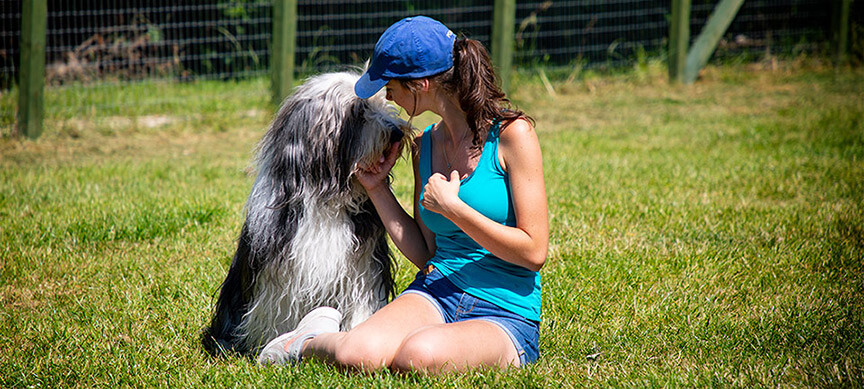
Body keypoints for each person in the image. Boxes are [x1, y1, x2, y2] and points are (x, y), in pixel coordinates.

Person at [258, 15, 549, 374]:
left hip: (503, 309)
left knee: (417, 356)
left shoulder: (512, 135)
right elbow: (425, 251)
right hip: (436, 290)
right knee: (357, 355)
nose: (387, 96)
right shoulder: (423, 145)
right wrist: (377, 187)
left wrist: (456, 210)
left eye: (390, 86)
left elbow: (534, 252)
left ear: (420, 84)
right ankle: (305, 340)